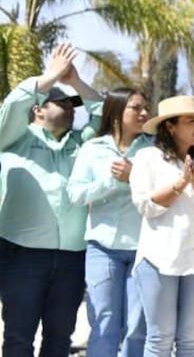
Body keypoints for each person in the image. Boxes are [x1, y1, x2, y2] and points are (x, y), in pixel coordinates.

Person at [0, 42, 103, 357]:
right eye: (62, 103)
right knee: (19, 340)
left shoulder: (82, 144)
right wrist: (50, 75)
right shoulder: (14, 137)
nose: (71, 108)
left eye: (73, 105)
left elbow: (105, 113)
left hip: (72, 258)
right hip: (22, 255)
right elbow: (14, 104)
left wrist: (73, 83)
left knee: (59, 342)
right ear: (38, 109)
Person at [130, 95, 194, 357]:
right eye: (190, 121)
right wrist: (182, 183)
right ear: (170, 126)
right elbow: (145, 205)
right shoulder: (146, 158)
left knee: (191, 339)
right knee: (160, 339)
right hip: (158, 260)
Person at [67, 88, 154, 357]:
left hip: (144, 249)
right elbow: (75, 193)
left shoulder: (153, 149)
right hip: (102, 249)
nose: (144, 113)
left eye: (145, 108)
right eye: (136, 108)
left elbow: (165, 192)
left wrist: (134, 176)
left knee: (136, 325)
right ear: (115, 113)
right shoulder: (92, 148)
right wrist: (110, 182)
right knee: (104, 322)